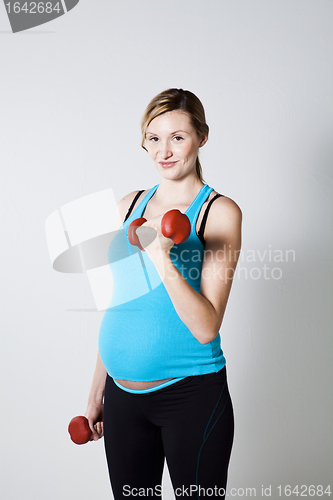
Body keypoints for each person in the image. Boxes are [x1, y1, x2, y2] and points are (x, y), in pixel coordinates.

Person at [85, 88, 242, 499]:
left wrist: (163, 259)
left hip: (190, 394)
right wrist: (97, 391)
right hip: (121, 398)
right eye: (154, 138)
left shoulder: (218, 212)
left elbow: (207, 327)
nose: (164, 150)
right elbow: (121, 301)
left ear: (201, 138)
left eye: (178, 137)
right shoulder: (128, 205)